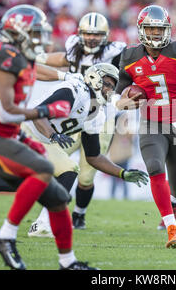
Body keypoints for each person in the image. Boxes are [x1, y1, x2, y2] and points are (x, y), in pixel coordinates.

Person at [0, 63, 148, 239]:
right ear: (95, 78)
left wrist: (121, 173)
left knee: (18, 180)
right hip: (26, 128)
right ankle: (42, 224)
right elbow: (38, 114)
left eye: (112, 87)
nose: (110, 90)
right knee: (68, 169)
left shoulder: (97, 113)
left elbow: (93, 156)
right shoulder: (76, 91)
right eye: (108, 84)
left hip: (40, 138)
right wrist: (53, 136)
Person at [0, 4, 95, 270]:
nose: (39, 39)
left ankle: (68, 263)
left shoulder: (21, 58)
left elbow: (44, 66)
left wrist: (67, 74)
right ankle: (5, 236)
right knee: (44, 168)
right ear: (17, 33)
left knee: (57, 197)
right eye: (34, 33)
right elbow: (4, 112)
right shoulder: (4, 55)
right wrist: (45, 110)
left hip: (5, 137)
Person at [114, 5, 176, 248]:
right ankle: (172, 230)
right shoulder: (129, 56)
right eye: (150, 29)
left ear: (167, 29)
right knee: (155, 167)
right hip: (151, 123)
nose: (155, 34)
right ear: (141, 30)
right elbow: (117, 97)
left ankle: (174, 208)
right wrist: (125, 102)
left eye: (159, 29)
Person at [30, 12, 127, 230]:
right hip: (74, 115)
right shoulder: (74, 51)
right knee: (54, 163)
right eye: (88, 33)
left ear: (106, 35)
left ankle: (79, 215)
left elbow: (128, 77)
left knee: (86, 175)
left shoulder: (115, 54)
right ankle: (51, 208)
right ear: (80, 34)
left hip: (100, 118)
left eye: (97, 34)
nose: (92, 38)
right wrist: (31, 57)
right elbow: (51, 60)